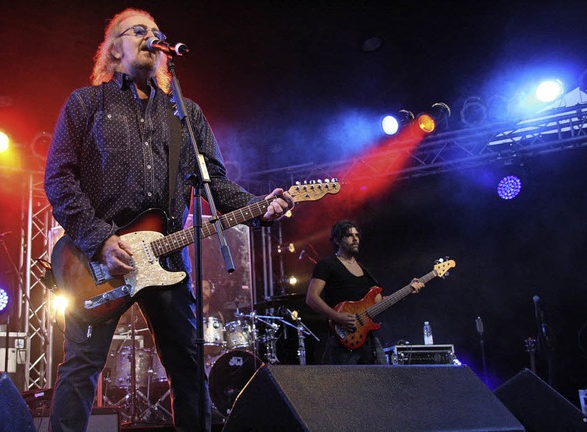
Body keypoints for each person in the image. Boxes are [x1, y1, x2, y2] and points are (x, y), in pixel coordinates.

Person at [44, 8, 293, 432]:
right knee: (81, 367)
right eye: (138, 30)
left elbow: (214, 183)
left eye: (156, 32)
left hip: (168, 259)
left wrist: (258, 206)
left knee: (188, 366)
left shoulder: (185, 115)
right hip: (97, 260)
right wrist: (102, 239)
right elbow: (58, 179)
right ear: (113, 49)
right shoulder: (86, 103)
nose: (151, 36)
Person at [305, 220, 423, 365]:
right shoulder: (327, 264)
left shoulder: (364, 269)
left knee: (381, 381)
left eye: (357, 235)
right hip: (342, 338)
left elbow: (379, 301)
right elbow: (311, 298)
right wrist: (337, 317)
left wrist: (408, 290)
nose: (355, 239)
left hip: (368, 339)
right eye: (349, 235)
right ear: (337, 240)